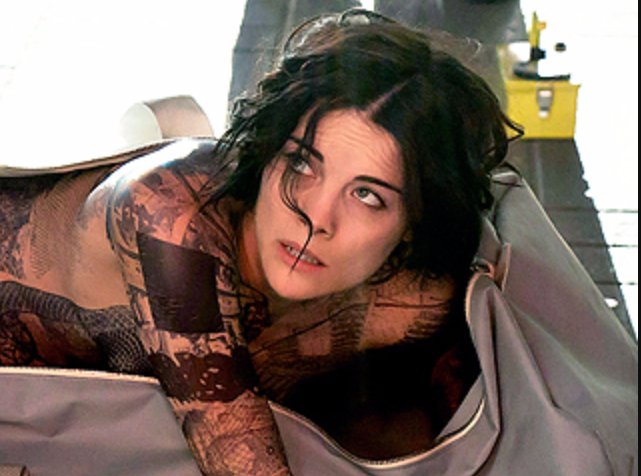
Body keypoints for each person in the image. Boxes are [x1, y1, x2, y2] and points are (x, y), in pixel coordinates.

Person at [0, 9, 523, 475]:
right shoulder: (170, 215)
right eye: (301, 163)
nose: (316, 218)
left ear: (413, 222)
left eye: (367, 195)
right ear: (268, 150)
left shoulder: (414, 301)